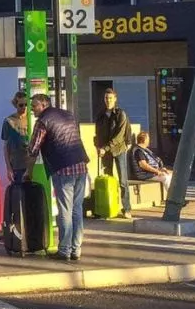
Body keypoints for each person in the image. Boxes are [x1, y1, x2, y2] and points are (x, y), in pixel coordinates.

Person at [24, 93, 90, 262]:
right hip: (80, 164)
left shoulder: (43, 121)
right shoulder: (68, 115)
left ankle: (64, 250)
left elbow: (33, 149)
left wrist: (28, 172)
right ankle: (76, 249)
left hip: (62, 168)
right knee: (77, 209)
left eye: (34, 105)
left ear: (44, 104)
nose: (32, 109)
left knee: (65, 210)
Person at [94, 88, 135, 218]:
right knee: (108, 179)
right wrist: (98, 147)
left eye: (110, 98)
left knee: (123, 180)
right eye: (106, 98)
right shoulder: (100, 115)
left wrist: (105, 148)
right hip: (105, 151)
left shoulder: (120, 114)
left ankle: (126, 208)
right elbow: (98, 134)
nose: (108, 101)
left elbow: (119, 136)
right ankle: (109, 207)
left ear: (115, 99)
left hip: (119, 150)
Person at [0, 91, 31, 184]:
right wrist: (8, 168)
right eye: (21, 105)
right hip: (17, 165)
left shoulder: (32, 119)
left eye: (26, 104)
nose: (24, 107)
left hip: (32, 163)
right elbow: (5, 147)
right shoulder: (8, 121)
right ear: (15, 105)